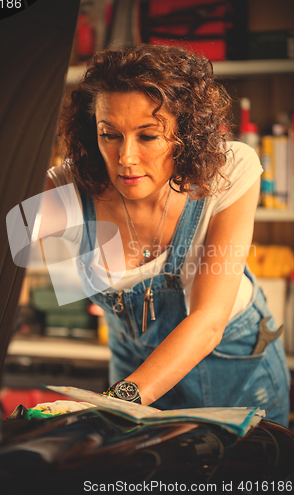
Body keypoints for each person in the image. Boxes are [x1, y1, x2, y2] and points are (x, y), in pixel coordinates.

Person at [38, 44, 290, 426]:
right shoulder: (63, 191)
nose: (126, 157)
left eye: (148, 136)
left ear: (184, 134)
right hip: (133, 368)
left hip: (235, 368)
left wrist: (117, 401)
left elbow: (208, 321)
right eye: (110, 135)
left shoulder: (230, 171)